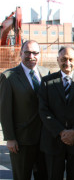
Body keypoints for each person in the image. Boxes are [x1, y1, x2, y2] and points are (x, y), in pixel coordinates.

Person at [39, 46, 74, 180]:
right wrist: (61, 132)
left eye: (70, 59)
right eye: (63, 59)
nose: (67, 63)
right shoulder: (47, 81)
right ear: (58, 60)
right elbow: (43, 109)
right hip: (53, 141)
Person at [0, 40, 49, 180]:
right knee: (22, 176)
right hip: (21, 140)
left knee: (44, 175)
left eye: (35, 53)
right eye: (27, 52)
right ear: (20, 53)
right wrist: (10, 138)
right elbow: (4, 111)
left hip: (44, 139)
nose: (31, 56)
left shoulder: (46, 73)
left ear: (40, 55)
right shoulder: (8, 77)